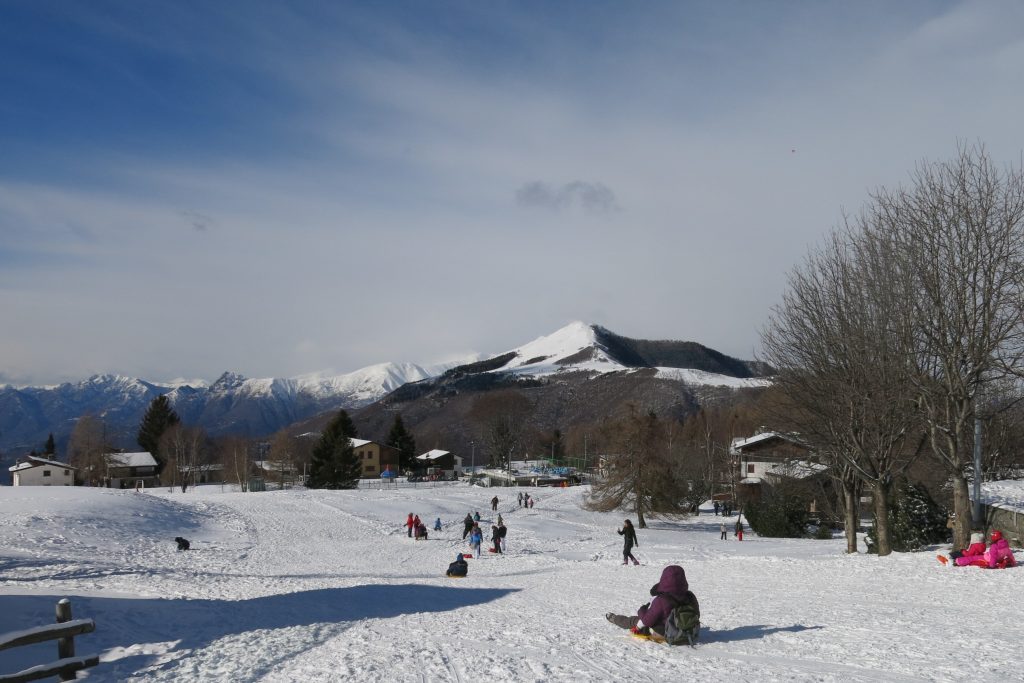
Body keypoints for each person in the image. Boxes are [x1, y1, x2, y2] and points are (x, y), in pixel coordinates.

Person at [605, 565, 700, 637]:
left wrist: (642, 610)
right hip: (689, 632)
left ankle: (615, 618)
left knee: (635, 620)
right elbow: (697, 615)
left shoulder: (662, 600)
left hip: (667, 633)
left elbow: (647, 621)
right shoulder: (690, 596)